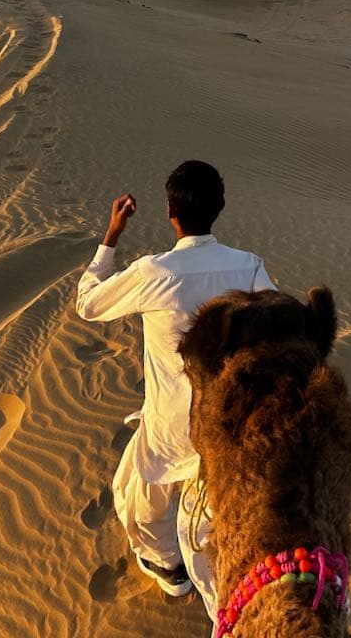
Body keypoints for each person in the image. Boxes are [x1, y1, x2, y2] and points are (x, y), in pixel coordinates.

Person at [76, 161, 275, 597]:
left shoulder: (154, 272)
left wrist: (112, 235)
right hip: (230, 425)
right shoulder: (250, 268)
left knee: (135, 495)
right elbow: (280, 326)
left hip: (171, 425)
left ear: (171, 211)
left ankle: (170, 570)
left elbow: (87, 304)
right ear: (220, 206)